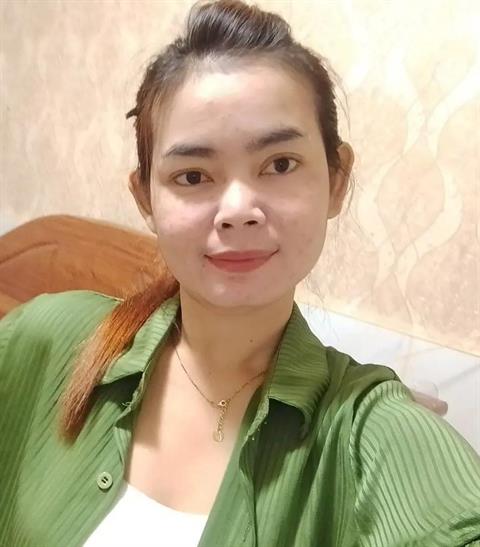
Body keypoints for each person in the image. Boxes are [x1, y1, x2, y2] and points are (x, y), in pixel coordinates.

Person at [1, 1, 479, 546]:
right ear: (146, 199)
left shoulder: (368, 433)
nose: (237, 210)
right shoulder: (48, 339)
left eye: (279, 165)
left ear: (336, 180)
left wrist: (401, 434)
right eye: (193, 175)